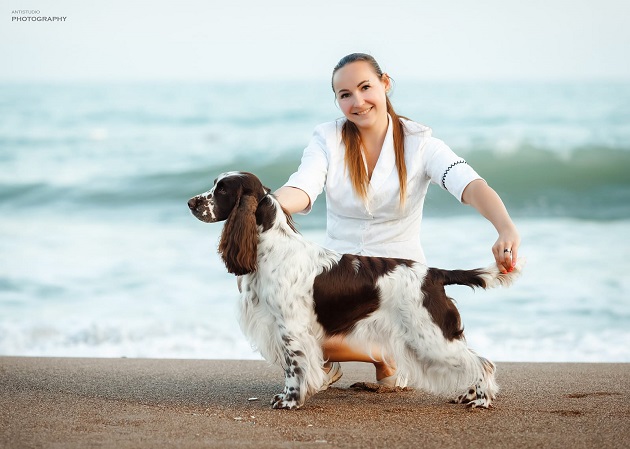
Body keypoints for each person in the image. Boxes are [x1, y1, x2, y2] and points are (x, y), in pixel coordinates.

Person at [274, 53, 520, 388]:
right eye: (345, 95)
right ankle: (349, 359)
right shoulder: (327, 138)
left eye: (365, 87)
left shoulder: (421, 143)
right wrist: (267, 207)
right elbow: (303, 187)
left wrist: (505, 227)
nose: (357, 101)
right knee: (284, 331)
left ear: (385, 83)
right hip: (339, 282)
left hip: (399, 288)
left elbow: (470, 185)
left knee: (363, 360)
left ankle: (391, 352)